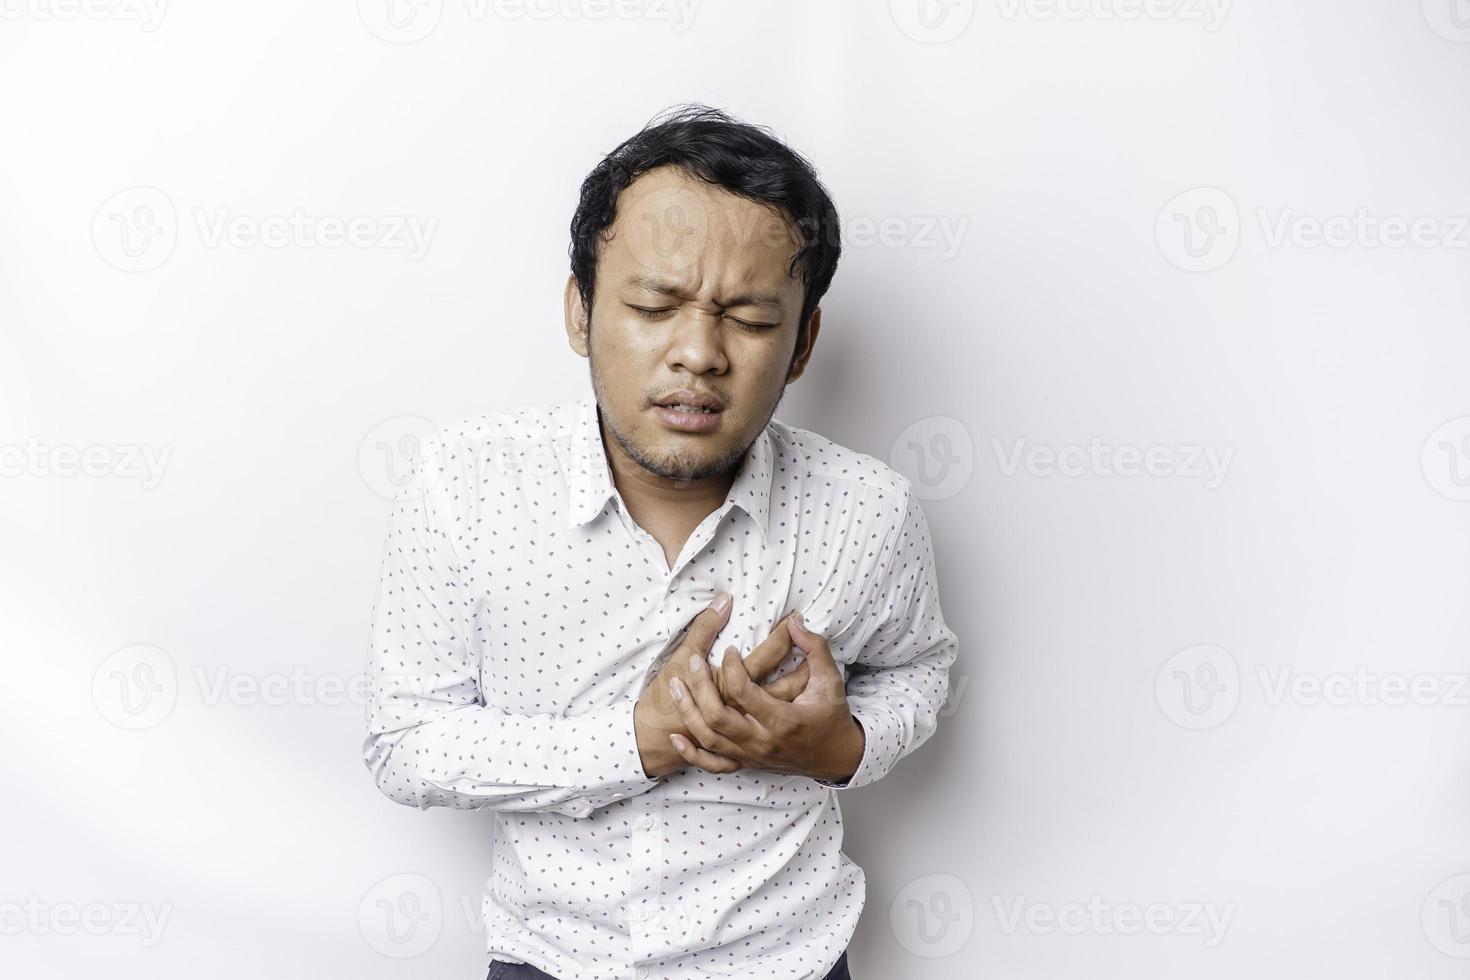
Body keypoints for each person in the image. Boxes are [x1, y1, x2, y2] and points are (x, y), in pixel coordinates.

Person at [363, 103, 959, 980]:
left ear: (802, 344)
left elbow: (920, 668)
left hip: (790, 962)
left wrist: (841, 747)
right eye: (653, 304)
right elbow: (405, 741)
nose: (698, 354)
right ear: (581, 310)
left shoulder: (869, 510)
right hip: (552, 959)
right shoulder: (464, 487)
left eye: (751, 321)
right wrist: (638, 741)